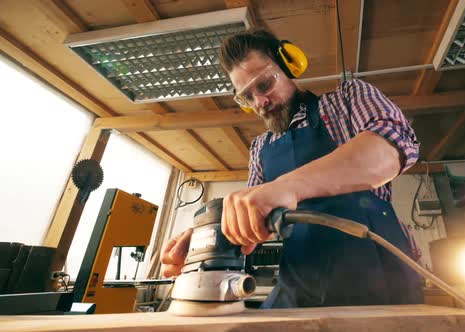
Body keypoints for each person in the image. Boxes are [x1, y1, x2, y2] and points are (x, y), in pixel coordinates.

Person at [161, 28, 423, 308]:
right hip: (300, 285)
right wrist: (208, 235)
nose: (260, 102)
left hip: (381, 278)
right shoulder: (260, 147)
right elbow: (251, 220)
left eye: (264, 85)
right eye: (247, 97)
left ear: (289, 65)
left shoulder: (346, 100)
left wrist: (285, 186)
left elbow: (390, 148)